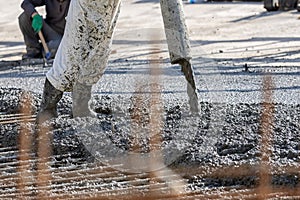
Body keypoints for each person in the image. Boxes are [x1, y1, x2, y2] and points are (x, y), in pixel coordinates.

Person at [36, 0, 121, 124]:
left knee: (97, 55)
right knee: (72, 52)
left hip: (108, 7)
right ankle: (48, 107)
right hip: (86, 6)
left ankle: (81, 106)